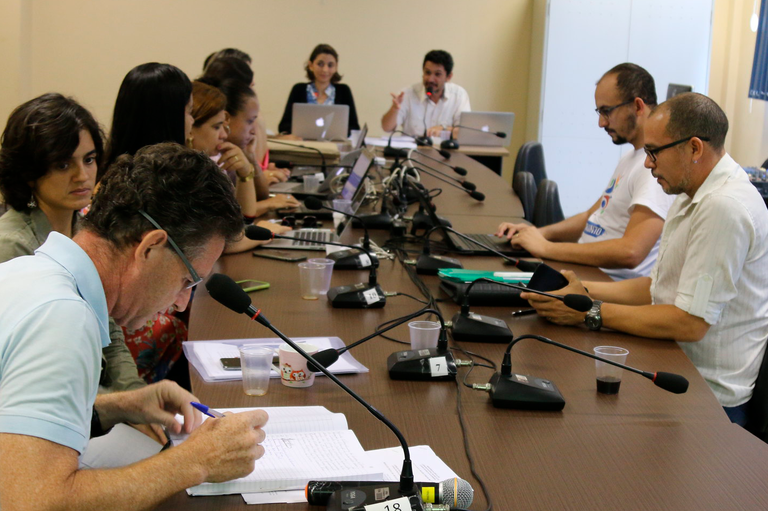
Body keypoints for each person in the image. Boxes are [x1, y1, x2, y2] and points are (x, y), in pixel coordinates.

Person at [0, 142, 268, 510]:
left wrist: (112, 406)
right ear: (150, 248)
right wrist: (197, 461)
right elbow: (31, 502)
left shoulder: (27, 272)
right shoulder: (63, 317)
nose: (182, 303)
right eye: (187, 281)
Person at [522, 93, 768, 426]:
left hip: (707, 399)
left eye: (654, 152)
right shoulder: (690, 190)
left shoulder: (724, 207)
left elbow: (689, 323)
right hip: (675, 364)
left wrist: (587, 313)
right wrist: (582, 291)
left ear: (694, 148)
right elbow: (657, 288)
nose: (648, 163)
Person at [0, 93, 146, 395]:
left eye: (89, 159)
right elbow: (38, 373)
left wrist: (134, 393)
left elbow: (110, 332)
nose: (83, 176)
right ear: (29, 172)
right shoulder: (12, 246)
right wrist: (123, 406)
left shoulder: (83, 227)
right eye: (64, 164)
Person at [496, 63, 675, 280]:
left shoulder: (654, 169)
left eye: (607, 111)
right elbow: (591, 216)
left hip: (603, 284)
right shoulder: (630, 158)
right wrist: (536, 234)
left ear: (638, 106)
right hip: (584, 272)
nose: (601, 123)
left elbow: (631, 252)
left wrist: (546, 248)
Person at [189, 81, 291, 252]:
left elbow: (243, 219)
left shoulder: (211, 160)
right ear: (191, 128)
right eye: (216, 127)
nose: (223, 134)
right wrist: (267, 234)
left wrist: (245, 172)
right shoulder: (187, 172)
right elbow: (225, 241)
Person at [201, 75, 300, 213]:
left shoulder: (231, 152)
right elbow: (230, 216)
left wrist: (251, 157)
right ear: (227, 119)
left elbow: (261, 195)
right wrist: (269, 204)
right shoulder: (213, 159)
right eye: (249, 121)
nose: (254, 130)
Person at [103, 63, 194, 177]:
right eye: (190, 112)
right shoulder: (180, 180)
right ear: (170, 120)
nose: (192, 121)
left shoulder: (108, 177)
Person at [381, 49, 471, 138]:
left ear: (448, 77)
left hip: (445, 151)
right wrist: (394, 109)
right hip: (412, 151)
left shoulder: (458, 95)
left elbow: (465, 132)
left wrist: (443, 129)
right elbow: (386, 128)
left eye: (437, 74)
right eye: (427, 72)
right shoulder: (407, 94)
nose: (430, 79)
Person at [278, 43, 360, 136]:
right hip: (304, 145)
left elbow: (354, 127)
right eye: (320, 64)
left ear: (336, 67)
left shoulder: (344, 91)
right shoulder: (298, 90)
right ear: (311, 65)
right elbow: (284, 126)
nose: (325, 70)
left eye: (330, 65)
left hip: (334, 146)